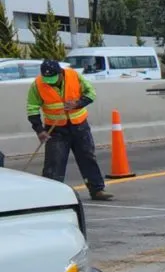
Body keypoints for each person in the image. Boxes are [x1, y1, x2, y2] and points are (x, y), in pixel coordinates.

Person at [26, 60, 113, 201]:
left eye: (53, 79)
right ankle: (50, 195)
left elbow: (91, 93)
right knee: (54, 163)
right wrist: (39, 130)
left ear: (60, 73)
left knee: (87, 157)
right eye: (47, 80)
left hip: (79, 126)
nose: (51, 83)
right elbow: (32, 108)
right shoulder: (37, 85)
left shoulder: (74, 76)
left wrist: (78, 103)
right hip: (55, 130)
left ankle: (97, 189)